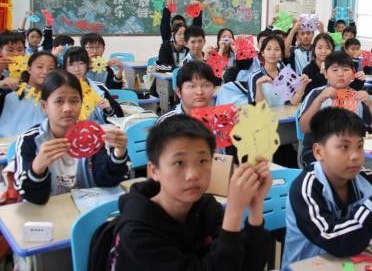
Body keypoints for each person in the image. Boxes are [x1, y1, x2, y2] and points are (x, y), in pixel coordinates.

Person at [108, 114, 271, 270]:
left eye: (202, 161)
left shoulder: (207, 207)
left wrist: (255, 205)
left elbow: (248, 266)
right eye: (179, 163)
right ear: (154, 171)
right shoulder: (137, 234)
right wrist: (234, 211)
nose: (193, 174)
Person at [282, 108, 372, 269]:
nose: (355, 156)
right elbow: (337, 242)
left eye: (360, 146)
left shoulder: (365, 178)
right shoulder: (305, 189)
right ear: (319, 152)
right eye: (344, 147)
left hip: (353, 263)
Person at [14, 69, 129, 205]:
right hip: (48, 211)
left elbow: (106, 181)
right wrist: (37, 167)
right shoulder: (30, 140)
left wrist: (119, 153)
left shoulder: (90, 135)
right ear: (44, 106)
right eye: (59, 101)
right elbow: (32, 197)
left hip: (86, 210)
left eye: (74, 101)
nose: (67, 108)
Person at [298, 52, 372, 168]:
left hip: (351, 151)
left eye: (345, 70)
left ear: (353, 73)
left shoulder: (358, 97)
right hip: (318, 152)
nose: (340, 74)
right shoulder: (317, 94)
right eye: (335, 70)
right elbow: (304, 128)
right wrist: (320, 100)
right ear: (326, 74)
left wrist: (371, 103)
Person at [0, 52, 57, 137]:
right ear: (29, 69)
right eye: (40, 67)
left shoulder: (55, 98)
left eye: (50, 68)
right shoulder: (10, 91)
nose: (45, 72)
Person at [63, 47, 123, 124]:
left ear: (87, 65)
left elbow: (119, 119)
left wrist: (109, 110)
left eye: (81, 63)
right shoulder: (59, 90)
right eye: (71, 65)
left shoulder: (99, 89)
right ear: (65, 67)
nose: (77, 69)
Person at [248, 35, 309, 107]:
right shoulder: (255, 77)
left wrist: (302, 86)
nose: (272, 53)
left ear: (281, 53)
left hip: (285, 113)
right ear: (262, 53)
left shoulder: (287, 74)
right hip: (265, 113)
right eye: (268, 49)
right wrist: (258, 85)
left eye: (277, 49)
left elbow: (291, 103)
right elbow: (259, 106)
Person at [301, 33, 335, 97]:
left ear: (332, 50)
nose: (323, 51)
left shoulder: (336, 67)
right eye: (319, 48)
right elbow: (308, 95)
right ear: (314, 49)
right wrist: (321, 74)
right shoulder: (307, 70)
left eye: (327, 48)